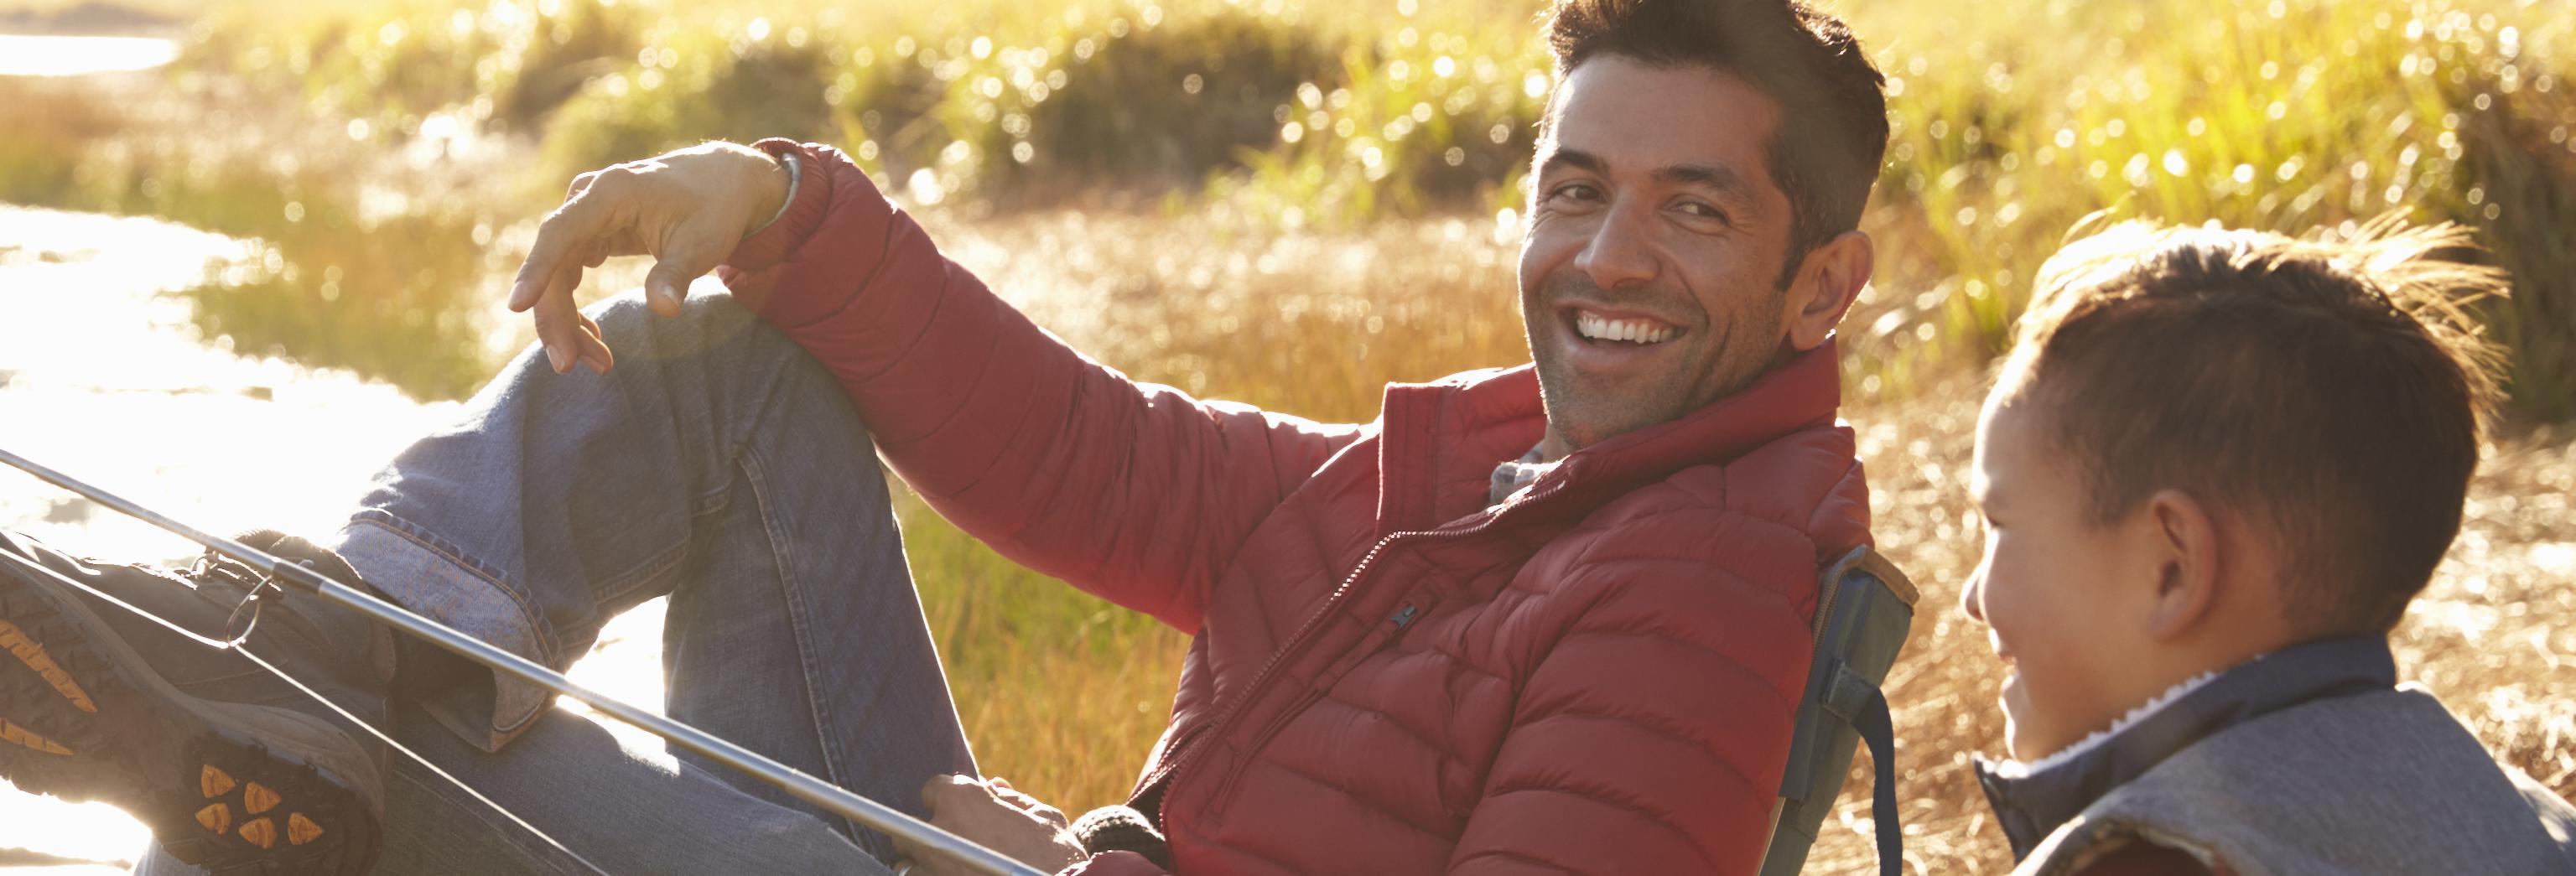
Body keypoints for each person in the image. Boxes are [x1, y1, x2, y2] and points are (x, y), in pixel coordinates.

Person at [0, 0, 1893, 873]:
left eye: (1695, 210)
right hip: (1022, 865)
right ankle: (314, 644)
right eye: (1576, 191)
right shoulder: (1480, 475)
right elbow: (1097, 456)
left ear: (1824, 282)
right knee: (732, 367)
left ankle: (290, 694)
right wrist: (777, 196)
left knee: (389, 771)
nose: (1605, 257)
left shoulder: (1705, 585)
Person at [1956, 218, 2576, 875]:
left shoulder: (2147, 856)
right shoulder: (2525, 818)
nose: (1971, 597)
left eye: (1998, 523)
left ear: (2171, 568)